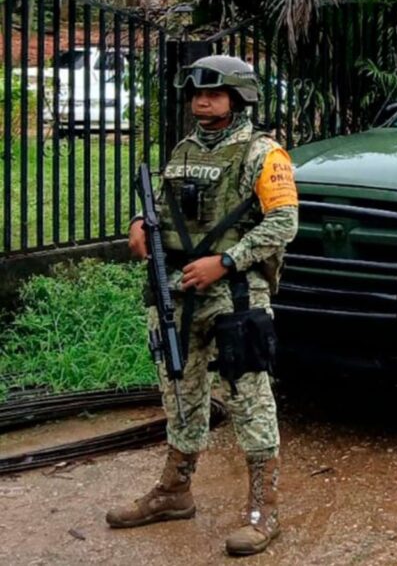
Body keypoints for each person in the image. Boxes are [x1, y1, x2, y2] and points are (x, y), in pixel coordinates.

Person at [106, 55, 299, 556]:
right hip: (176, 291)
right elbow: (161, 205)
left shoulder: (263, 153)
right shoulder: (184, 149)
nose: (202, 102)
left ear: (239, 98)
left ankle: (264, 508)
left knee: (249, 397)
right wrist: (138, 223)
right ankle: (175, 490)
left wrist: (227, 261)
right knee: (180, 391)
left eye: (214, 94)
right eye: (196, 94)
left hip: (235, 293)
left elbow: (284, 222)